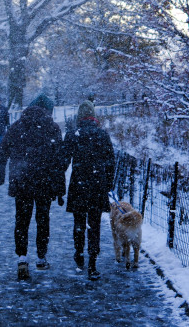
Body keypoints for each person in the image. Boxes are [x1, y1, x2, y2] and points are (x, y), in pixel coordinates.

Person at [0, 93, 63, 281]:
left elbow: (2, 152)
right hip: (44, 183)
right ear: (47, 111)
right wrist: (59, 188)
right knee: (43, 220)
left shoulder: (17, 127)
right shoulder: (52, 128)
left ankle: (22, 258)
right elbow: (59, 161)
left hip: (21, 181)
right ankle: (41, 258)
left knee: (22, 220)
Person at [61, 100, 115, 280]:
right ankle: (93, 261)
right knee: (94, 224)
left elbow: (63, 161)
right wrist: (108, 183)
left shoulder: (72, 135)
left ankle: (79, 254)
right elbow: (110, 162)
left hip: (79, 184)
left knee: (79, 222)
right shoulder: (102, 135)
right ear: (94, 116)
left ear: (79, 117)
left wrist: (57, 183)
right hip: (97, 184)